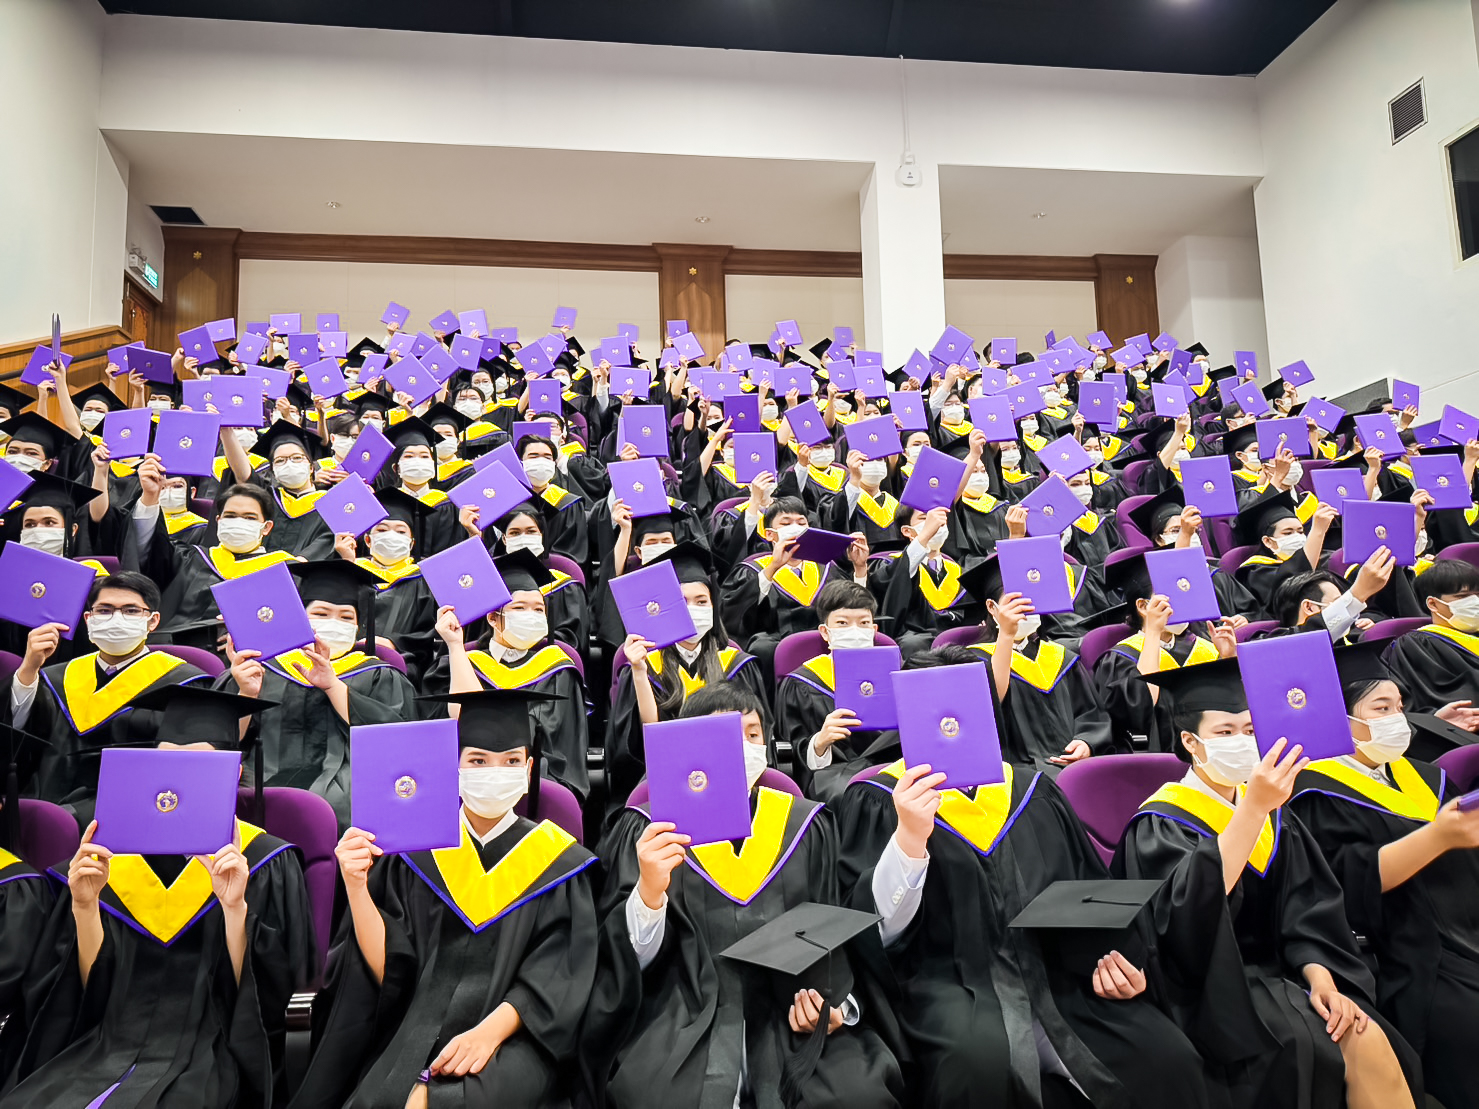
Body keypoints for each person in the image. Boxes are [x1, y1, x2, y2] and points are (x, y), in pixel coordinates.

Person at [833, 652, 1212, 1109]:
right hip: (950, 988)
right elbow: (876, 933)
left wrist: (1122, 962)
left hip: (1061, 981)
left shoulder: (1034, 790)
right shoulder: (878, 801)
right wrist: (909, 840)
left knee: (1169, 1060)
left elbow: (1088, 891)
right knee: (972, 1070)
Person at [1114, 656, 1421, 1109]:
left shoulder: (1275, 813)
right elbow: (1181, 926)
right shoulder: (1161, 822)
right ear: (1190, 742)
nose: (1242, 742)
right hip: (1213, 992)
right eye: (1225, 732)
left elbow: (1310, 906)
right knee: (1349, 1046)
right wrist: (1253, 810)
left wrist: (1322, 978)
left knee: (1371, 1032)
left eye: (1249, 730)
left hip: (1291, 972)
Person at [586, 681, 905, 1109]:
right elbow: (624, 961)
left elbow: (833, 925)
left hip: (791, 1008)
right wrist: (648, 893)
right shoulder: (648, 832)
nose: (741, 747)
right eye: (724, 734)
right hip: (683, 1009)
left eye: (752, 734)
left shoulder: (806, 825)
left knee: (857, 1095)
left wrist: (834, 1003)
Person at [0, 686, 313, 1109]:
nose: (176, 774)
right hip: (99, 1046)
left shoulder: (265, 862)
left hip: (211, 1054)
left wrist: (235, 910)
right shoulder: (111, 858)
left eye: (197, 763)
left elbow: (271, 994)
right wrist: (85, 908)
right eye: (164, 760)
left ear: (234, 773)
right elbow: (79, 994)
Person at [292, 689, 598, 1109]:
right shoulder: (414, 855)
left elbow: (558, 977)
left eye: (511, 761)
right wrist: (356, 887)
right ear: (454, 766)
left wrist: (488, 1034)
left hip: (517, 1040)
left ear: (529, 770)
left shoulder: (559, 863)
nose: (495, 772)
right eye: (478, 761)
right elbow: (389, 971)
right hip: (414, 1029)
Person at [1290, 644, 1479, 1109]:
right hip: (1409, 951)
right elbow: (1345, 886)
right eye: (1381, 708)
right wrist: (1437, 837)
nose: (1398, 718)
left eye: (1398, 706)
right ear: (1341, 719)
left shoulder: (1423, 777)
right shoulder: (1314, 791)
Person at [221, 560, 417, 831]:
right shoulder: (260, 669)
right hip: (258, 781)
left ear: (359, 627)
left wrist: (332, 686)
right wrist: (246, 692)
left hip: (347, 791)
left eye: (346, 617)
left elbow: (396, 741)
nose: (334, 623)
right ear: (301, 617)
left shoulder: (378, 674)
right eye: (321, 613)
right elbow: (223, 742)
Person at [3, 571, 210, 819]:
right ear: (88, 619)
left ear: (153, 621)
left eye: (131, 611)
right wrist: (28, 669)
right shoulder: (57, 677)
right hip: (42, 799)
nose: (116, 619)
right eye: (104, 610)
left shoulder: (182, 683)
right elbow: (19, 739)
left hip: (126, 807)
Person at [427, 552, 591, 800]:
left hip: (534, 784)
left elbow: (561, 751)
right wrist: (455, 646)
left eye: (538, 610)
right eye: (519, 608)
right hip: (466, 783)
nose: (531, 616)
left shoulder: (558, 670)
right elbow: (458, 723)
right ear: (493, 618)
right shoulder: (459, 663)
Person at [607, 543, 764, 800]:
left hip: (732, 772)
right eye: (682, 602)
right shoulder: (646, 665)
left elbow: (756, 733)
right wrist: (639, 671)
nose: (692, 609)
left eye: (701, 601)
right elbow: (644, 739)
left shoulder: (738, 665)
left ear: (713, 606)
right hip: (666, 775)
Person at [957, 556, 1114, 771]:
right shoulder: (975, 660)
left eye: (1031, 600)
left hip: (1075, 767)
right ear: (992, 608)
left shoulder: (1062, 657)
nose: (1026, 608)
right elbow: (986, 714)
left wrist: (1086, 742)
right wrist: (1006, 635)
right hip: (1018, 772)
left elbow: (1091, 714)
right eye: (1015, 602)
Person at [1093, 547, 1235, 751]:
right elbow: (1137, 714)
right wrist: (1153, 631)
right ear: (1143, 606)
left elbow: (1231, 708)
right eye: (1169, 598)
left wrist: (1228, 659)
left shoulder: (1207, 648)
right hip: (1158, 757)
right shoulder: (1121, 658)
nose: (1179, 606)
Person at [775, 581, 896, 801]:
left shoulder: (896, 675)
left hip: (893, 767)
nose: (854, 631)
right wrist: (820, 743)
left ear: (874, 630)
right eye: (842, 623)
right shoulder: (802, 683)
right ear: (825, 632)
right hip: (835, 775)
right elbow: (790, 752)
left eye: (863, 622)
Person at [140, 483, 301, 647]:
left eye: (250, 518)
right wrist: (149, 499)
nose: (239, 523)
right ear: (218, 521)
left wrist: (250, 635)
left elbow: (286, 626)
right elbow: (145, 556)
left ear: (266, 527)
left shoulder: (284, 571)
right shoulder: (189, 557)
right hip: (166, 647)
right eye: (230, 516)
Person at [341, 489, 439, 685]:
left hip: (401, 669)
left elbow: (430, 630)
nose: (391, 536)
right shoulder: (352, 572)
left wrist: (394, 643)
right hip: (345, 663)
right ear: (367, 540)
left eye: (401, 532)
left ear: (411, 543)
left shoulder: (426, 580)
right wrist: (347, 568)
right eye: (382, 530)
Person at [1383, 557, 1479, 724]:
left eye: (1477, 595)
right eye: (1463, 596)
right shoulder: (1416, 646)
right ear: (1433, 604)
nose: (1475, 602)